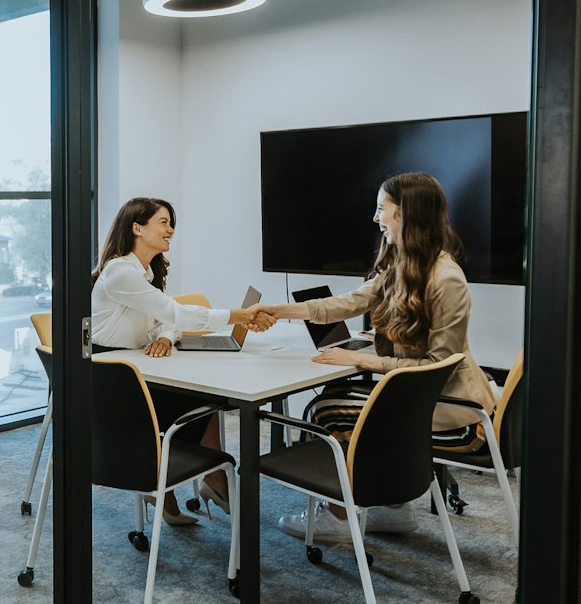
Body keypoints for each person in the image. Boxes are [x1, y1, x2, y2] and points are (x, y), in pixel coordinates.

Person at [255, 172, 494, 537]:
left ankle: (337, 516)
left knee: (326, 411)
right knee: (335, 400)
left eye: (382, 208)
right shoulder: (404, 265)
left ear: (406, 214)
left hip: (459, 416)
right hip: (428, 405)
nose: (375, 217)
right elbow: (348, 303)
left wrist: (363, 359)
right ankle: (391, 509)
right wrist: (279, 310)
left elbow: (438, 367)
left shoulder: (447, 279)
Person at [90, 196, 274, 525]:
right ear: (137, 228)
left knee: (205, 397)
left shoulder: (146, 271)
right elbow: (174, 311)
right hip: (111, 383)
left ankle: (192, 481)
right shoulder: (119, 272)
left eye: (171, 223)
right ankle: (206, 479)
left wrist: (164, 337)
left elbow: (166, 318)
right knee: (203, 398)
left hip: (136, 369)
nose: (171, 230)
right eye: (163, 222)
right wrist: (238, 315)